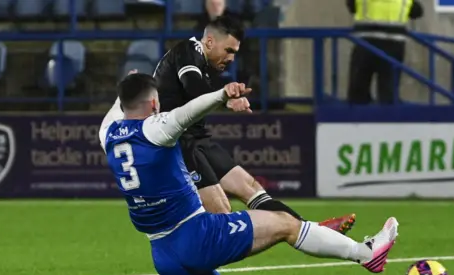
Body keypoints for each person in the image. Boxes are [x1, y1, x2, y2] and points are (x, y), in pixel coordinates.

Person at [99, 73, 400, 275]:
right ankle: (365, 254)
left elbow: (117, 112)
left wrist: (124, 91)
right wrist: (221, 94)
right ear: (154, 104)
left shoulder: (108, 134)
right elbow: (188, 112)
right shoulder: (156, 128)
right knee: (285, 223)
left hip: (163, 255)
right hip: (196, 234)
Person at [103, 16, 355, 234]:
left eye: (235, 52)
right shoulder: (188, 51)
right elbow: (194, 88)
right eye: (229, 50)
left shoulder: (209, 65)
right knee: (221, 212)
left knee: (251, 188)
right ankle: (191, 273)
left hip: (198, 139)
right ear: (210, 41)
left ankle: (310, 230)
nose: (232, 58)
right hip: (178, 145)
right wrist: (225, 100)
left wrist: (225, 98)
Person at [346, 0, 424, 104]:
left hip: (365, 45)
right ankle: (387, 114)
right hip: (392, 47)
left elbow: (351, 6)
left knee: (358, 92)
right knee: (388, 94)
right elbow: (417, 12)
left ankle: (356, 116)